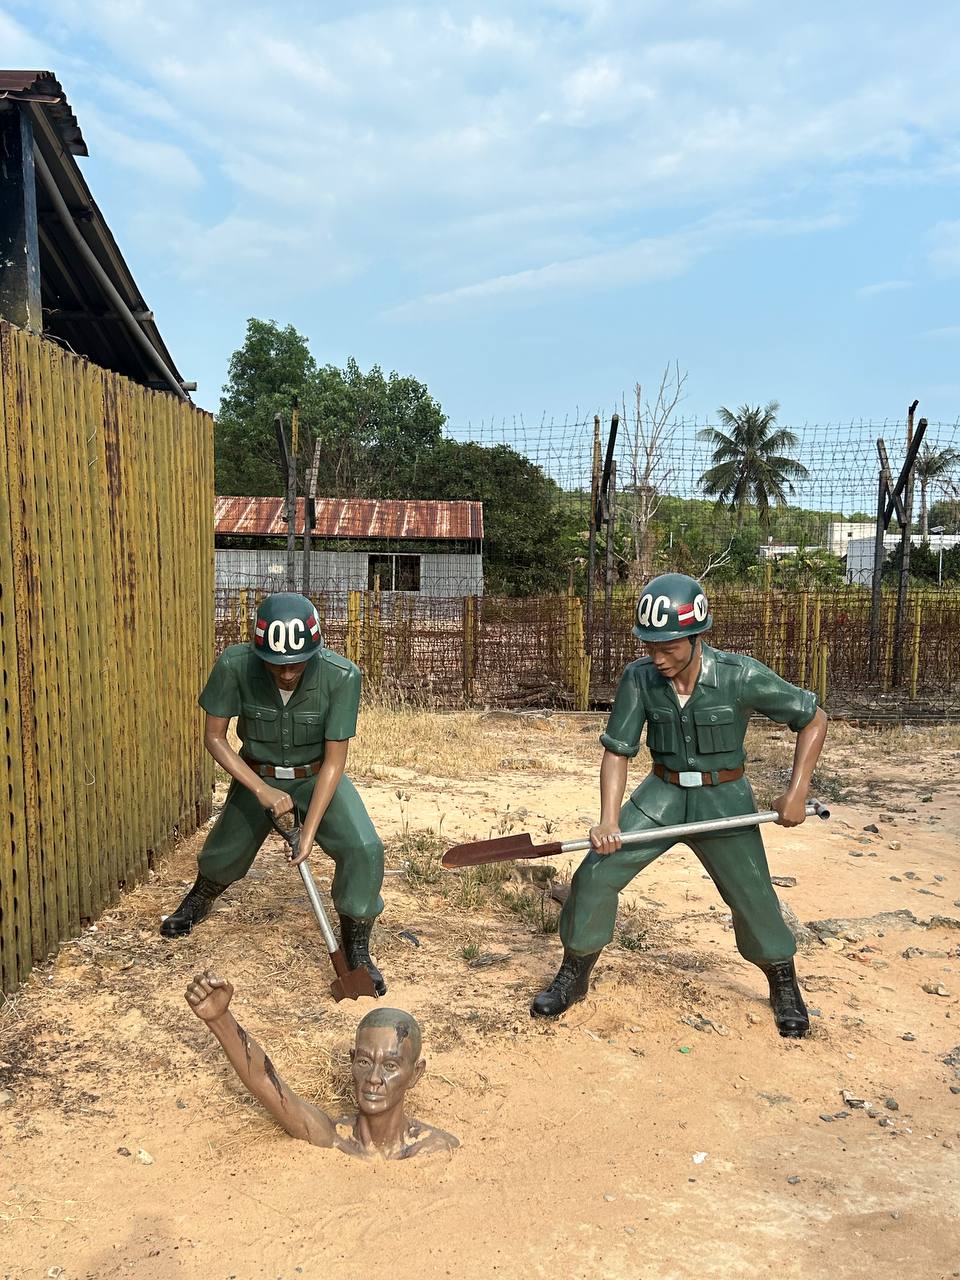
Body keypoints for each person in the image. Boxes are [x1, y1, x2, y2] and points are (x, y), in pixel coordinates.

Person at [531, 572, 828, 1038]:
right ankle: (575, 973)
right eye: (651, 646)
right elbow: (618, 750)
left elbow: (813, 718)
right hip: (662, 795)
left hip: (724, 801)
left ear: (696, 636)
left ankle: (783, 980)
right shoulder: (640, 679)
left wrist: (797, 791)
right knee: (594, 874)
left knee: (752, 894)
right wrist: (609, 820)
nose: (658, 657)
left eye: (668, 647)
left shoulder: (740, 675)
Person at [161, 592, 387, 995]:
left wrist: (308, 831)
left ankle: (357, 944)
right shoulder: (234, 665)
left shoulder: (342, 676)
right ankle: (199, 898)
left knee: (364, 847)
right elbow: (214, 738)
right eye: (277, 664)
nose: (286, 673)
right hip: (257, 774)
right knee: (224, 850)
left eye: (297, 663)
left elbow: (335, 761)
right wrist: (261, 790)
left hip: (316, 777)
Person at [185, 971, 459, 1159]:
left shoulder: (435, 1149)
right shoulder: (330, 1138)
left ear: (415, 1073)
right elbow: (264, 1080)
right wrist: (220, 1019)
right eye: (364, 1061)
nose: (374, 1077)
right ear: (352, 1062)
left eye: (390, 1066)